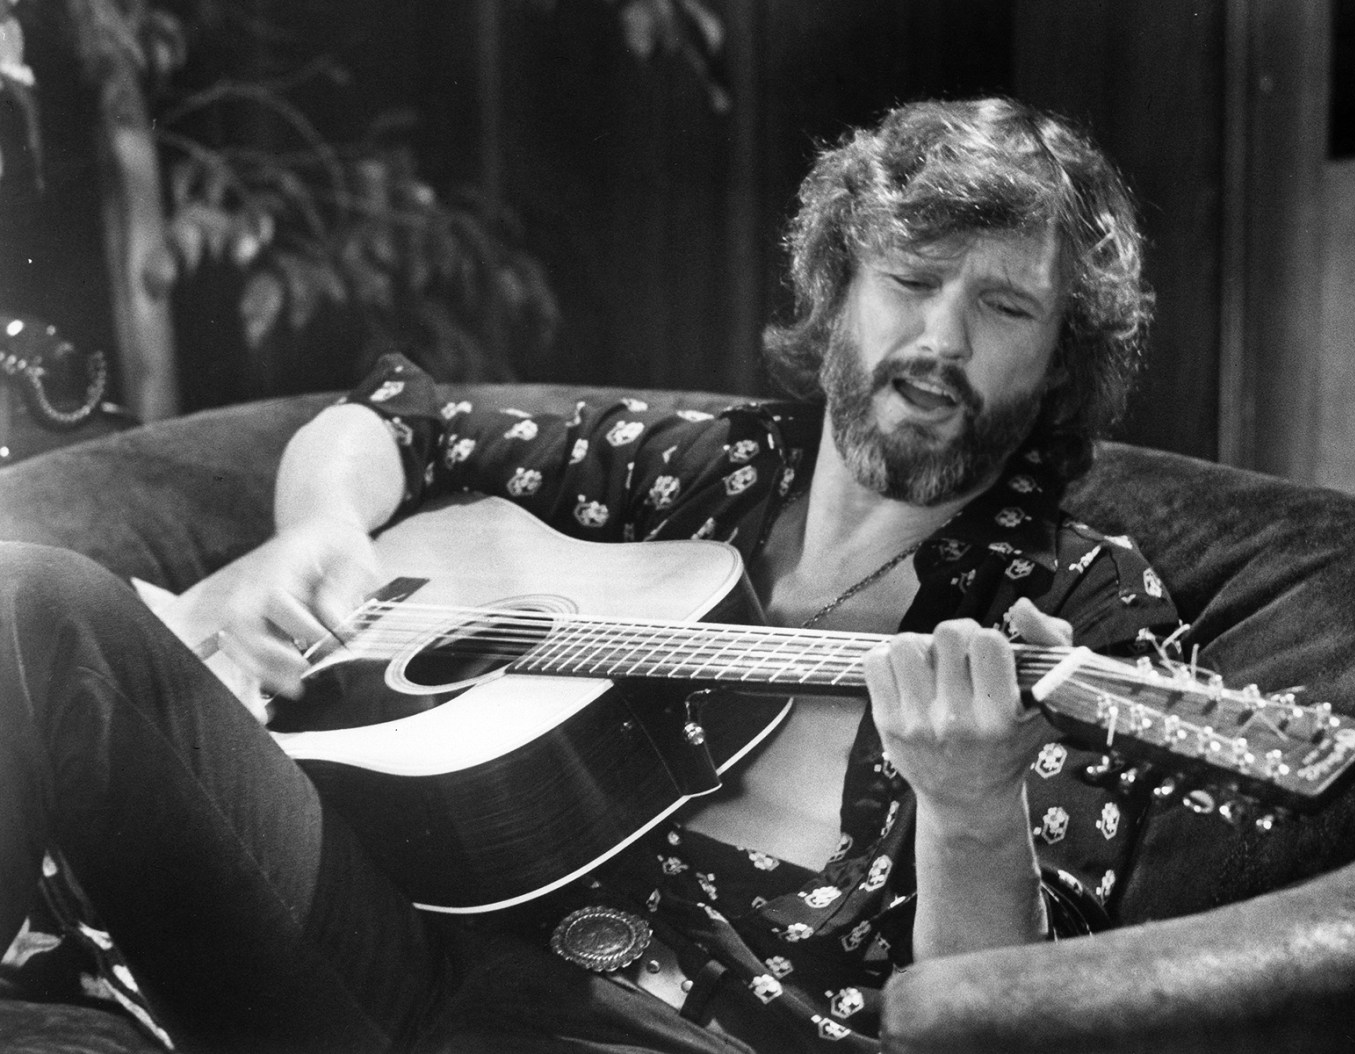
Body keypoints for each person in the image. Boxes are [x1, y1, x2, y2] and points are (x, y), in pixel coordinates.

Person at [0, 96, 1176, 1052]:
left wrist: (973, 808)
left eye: (1005, 306)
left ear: (1062, 357)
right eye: (913, 282)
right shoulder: (706, 472)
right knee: (32, 602)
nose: (942, 342)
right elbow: (395, 419)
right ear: (840, 292)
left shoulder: (1076, 618)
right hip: (392, 959)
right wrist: (317, 535)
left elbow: (1010, 1023)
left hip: (666, 1030)